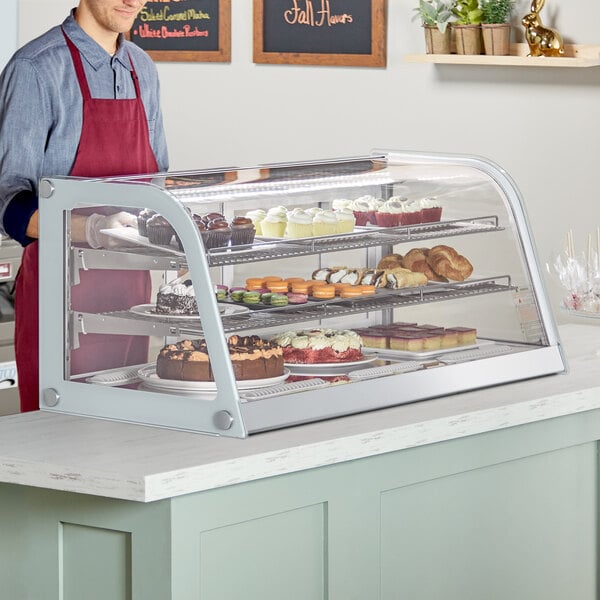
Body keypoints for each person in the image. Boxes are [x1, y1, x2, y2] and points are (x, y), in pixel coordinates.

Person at [0, 0, 169, 412]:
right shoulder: (36, 68)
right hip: (63, 295)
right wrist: (91, 230)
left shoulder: (141, 68)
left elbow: (159, 182)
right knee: (61, 439)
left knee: (127, 426)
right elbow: (7, 201)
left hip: (134, 294)